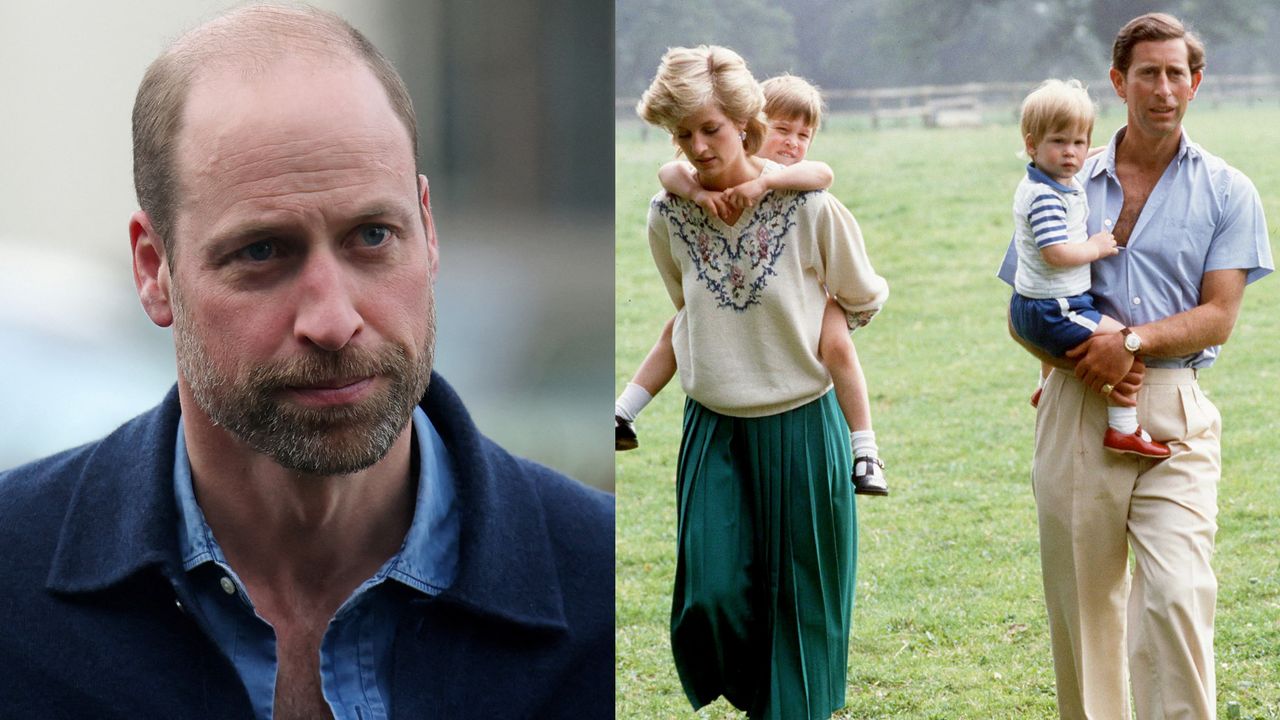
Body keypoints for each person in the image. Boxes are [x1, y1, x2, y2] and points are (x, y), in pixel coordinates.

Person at [0, 5, 613, 719]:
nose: (333, 320)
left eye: (373, 236)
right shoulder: (12, 585)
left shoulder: (608, 597)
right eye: (262, 252)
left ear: (428, 230)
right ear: (153, 269)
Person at [998, 13, 1271, 719]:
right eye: (1147, 72)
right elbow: (1023, 303)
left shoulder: (1228, 191)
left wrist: (1133, 343)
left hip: (1175, 411)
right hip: (1075, 406)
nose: (1163, 87)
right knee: (1084, 614)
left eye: (1176, 73)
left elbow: (1219, 316)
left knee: (1178, 595)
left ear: (1196, 82)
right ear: (1119, 82)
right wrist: (1065, 362)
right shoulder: (1064, 177)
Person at [637, 45, 889, 719]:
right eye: (682, 133)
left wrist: (829, 315)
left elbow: (865, 295)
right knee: (710, 597)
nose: (696, 147)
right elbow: (683, 307)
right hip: (712, 428)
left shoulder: (811, 210)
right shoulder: (667, 214)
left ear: (745, 121)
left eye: (709, 129)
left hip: (803, 426)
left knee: (799, 614)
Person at [617, 73, 889, 495]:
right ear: (754, 125)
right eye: (782, 130)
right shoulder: (675, 202)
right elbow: (669, 170)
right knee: (680, 324)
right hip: (715, 405)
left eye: (804, 135)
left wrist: (764, 181)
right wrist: (699, 195)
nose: (793, 143)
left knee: (836, 343)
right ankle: (623, 412)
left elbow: (824, 174)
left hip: (805, 359)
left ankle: (866, 449)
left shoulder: (802, 191)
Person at [1008, 78, 1170, 458]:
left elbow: (1082, 158)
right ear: (1031, 145)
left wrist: (1111, 151)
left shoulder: (1049, 178)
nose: (1072, 154)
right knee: (1127, 343)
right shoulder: (1046, 197)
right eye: (1059, 142)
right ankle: (1124, 429)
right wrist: (1096, 248)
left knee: (1102, 339)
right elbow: (1055, 253)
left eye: (1079, 143)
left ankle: (1044, 387)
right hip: (1055, 307)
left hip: (1039, 302)